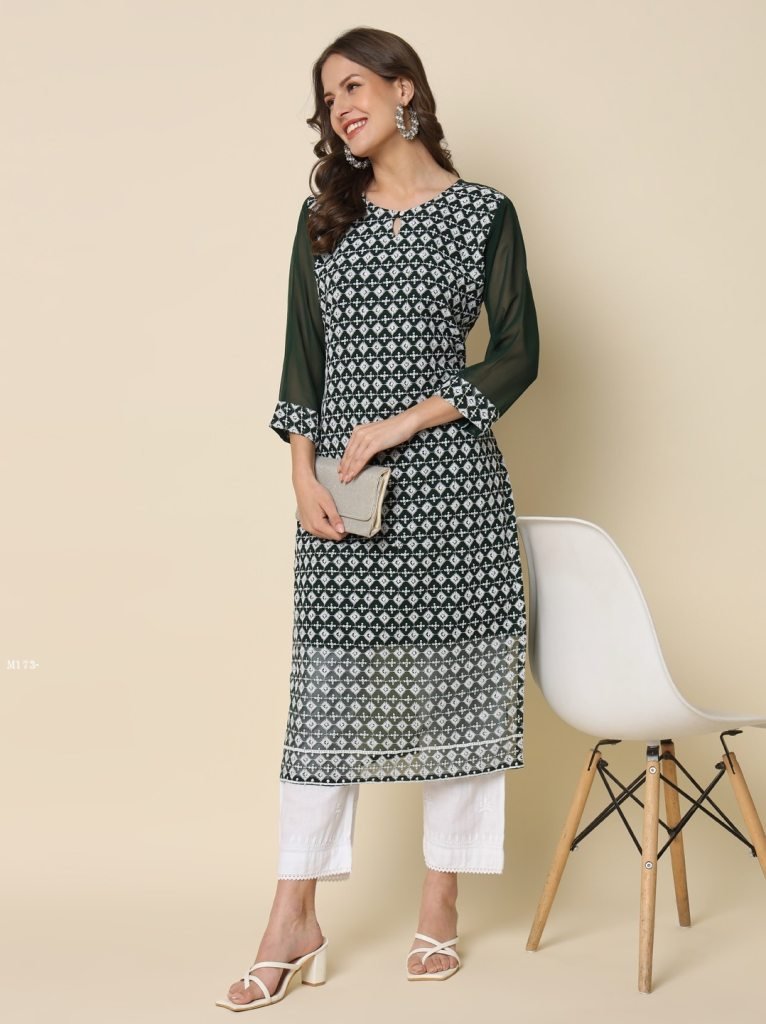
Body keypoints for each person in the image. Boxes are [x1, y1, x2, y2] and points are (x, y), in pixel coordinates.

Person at [216, 25, 540, 1011]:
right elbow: (301, 361)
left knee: (460, 691)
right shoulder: (325, 216)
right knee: (325, 703)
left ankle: (440, 903)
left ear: (404, 90)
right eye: (329, 98)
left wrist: (404, 420)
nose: (340, 108)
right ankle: (292, 917)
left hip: (454, 491)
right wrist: (300, 474)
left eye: (353, 86)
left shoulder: (484, 213)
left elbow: (518, 352)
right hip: (344, 497)